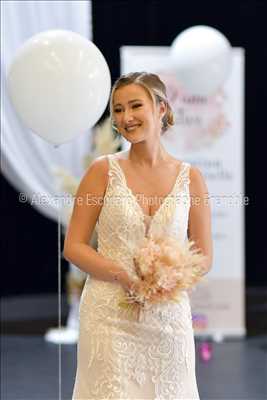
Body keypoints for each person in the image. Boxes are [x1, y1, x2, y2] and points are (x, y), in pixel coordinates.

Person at [63, 71, 213, 400]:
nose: (125, 118)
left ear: (161, 108)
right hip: (109, 314)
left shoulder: (192, 178)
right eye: (117, 109)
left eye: (135, 106)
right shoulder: (102, 171)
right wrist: (124, 275)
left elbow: (203, 257)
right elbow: (73, 246)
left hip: (167, 317)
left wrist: (167, 280)